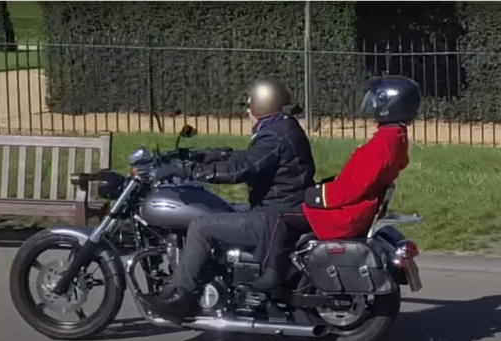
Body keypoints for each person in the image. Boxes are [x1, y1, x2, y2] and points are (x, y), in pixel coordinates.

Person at [138, 78, 316, 325]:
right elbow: (249, 158)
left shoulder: (273, 136)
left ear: (263, 104)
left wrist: (189, 170)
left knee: (201, 226)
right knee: (224, 211)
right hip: (278, 206)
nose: (246, 110)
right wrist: (205, 154)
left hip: (272, 213)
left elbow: (240, 169)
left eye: (249, 104)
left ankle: (179, 299)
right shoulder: (282, 128)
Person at [260, 75, 421, 273]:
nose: (369, 103)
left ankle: (271, 274)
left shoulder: (383, 145)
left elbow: (352, 189)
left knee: (278, 214)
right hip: (357, 208)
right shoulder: (395, 138)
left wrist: (313, 195)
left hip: (346, 214)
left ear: (388, 103)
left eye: (375, 98)